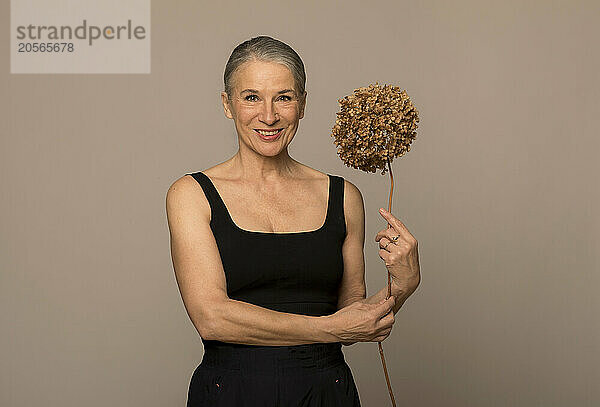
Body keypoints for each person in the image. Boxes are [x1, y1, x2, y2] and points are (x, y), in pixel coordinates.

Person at [166, 35, 421, 407]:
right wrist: (325, 328)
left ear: (302, 105)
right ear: (227, 104)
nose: (268, 116)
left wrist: (404, 285)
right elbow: (212, 318)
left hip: (326, 393)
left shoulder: (344, 196)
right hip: (231, 394)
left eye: (283, 97)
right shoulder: (190, 194)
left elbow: (354, 320)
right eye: (251, 97)